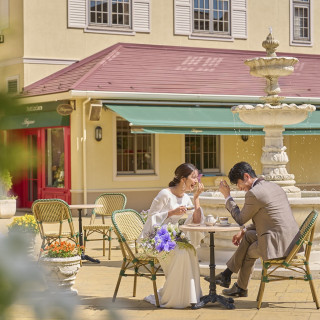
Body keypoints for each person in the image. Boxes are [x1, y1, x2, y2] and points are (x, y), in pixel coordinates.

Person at [212, 161, 300, 297]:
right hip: (290, 241)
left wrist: (227, 196)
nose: (239, 188)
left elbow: (240, 218)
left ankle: (235, 282)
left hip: (278, 245)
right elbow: (269, 218)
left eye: (238, 183)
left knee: (248, 251)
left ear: (246, 176)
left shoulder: (254, 193)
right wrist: (244, 231)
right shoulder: (273, 186)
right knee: (248, 236)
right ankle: (227, 276)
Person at [140, 163, 205, 308]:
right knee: (182, 253)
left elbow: (196, 221)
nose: (197, 181)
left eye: (197, 177)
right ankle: (175, 298)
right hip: (157, 239)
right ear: (183, 178)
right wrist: (171, 213)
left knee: (191, 251)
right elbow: (151, 218)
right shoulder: (165, 194)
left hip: (174, 238)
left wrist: (196, 199)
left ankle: (190, 297)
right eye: (194, 177)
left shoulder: (187, 197)